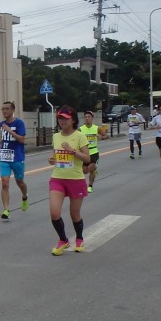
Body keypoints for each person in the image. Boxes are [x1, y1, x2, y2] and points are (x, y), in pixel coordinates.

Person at [47, 106, 91, 255]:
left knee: (75, 214)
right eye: (60, 118)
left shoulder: (80, 136)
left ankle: (79, 238)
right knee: (54, 212)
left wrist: (72, 150)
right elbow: (56, 156)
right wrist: (52, 160)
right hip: (57, 178)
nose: (62, 121)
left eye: (65, 118)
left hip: (75, 179)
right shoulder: (56, 136)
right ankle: (63, 240)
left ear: (72, 119)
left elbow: (87, 158)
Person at [0, 101, 28, 220]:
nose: (4, 111)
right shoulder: (2, 124)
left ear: (12, 110)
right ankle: (6, 209)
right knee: (4, 182)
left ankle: (24, 196)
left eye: (7, 109)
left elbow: (21, 139)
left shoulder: (19, 123)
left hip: (17, 157)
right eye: (2, 109)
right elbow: (6, 137)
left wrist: (9, 130)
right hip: (4, 157)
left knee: (20, 182)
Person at [79, 111, 108, 193]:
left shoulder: (97, 128)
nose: (87, 118)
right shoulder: (80, 129)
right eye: (85, 117)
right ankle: (94, 171)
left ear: (92, 118)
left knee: (91, 168)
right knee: (84, 171)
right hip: (84, 152)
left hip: (94, 151)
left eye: (89, 117)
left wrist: (102, 137)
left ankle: (90, 186)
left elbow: (106, 135)